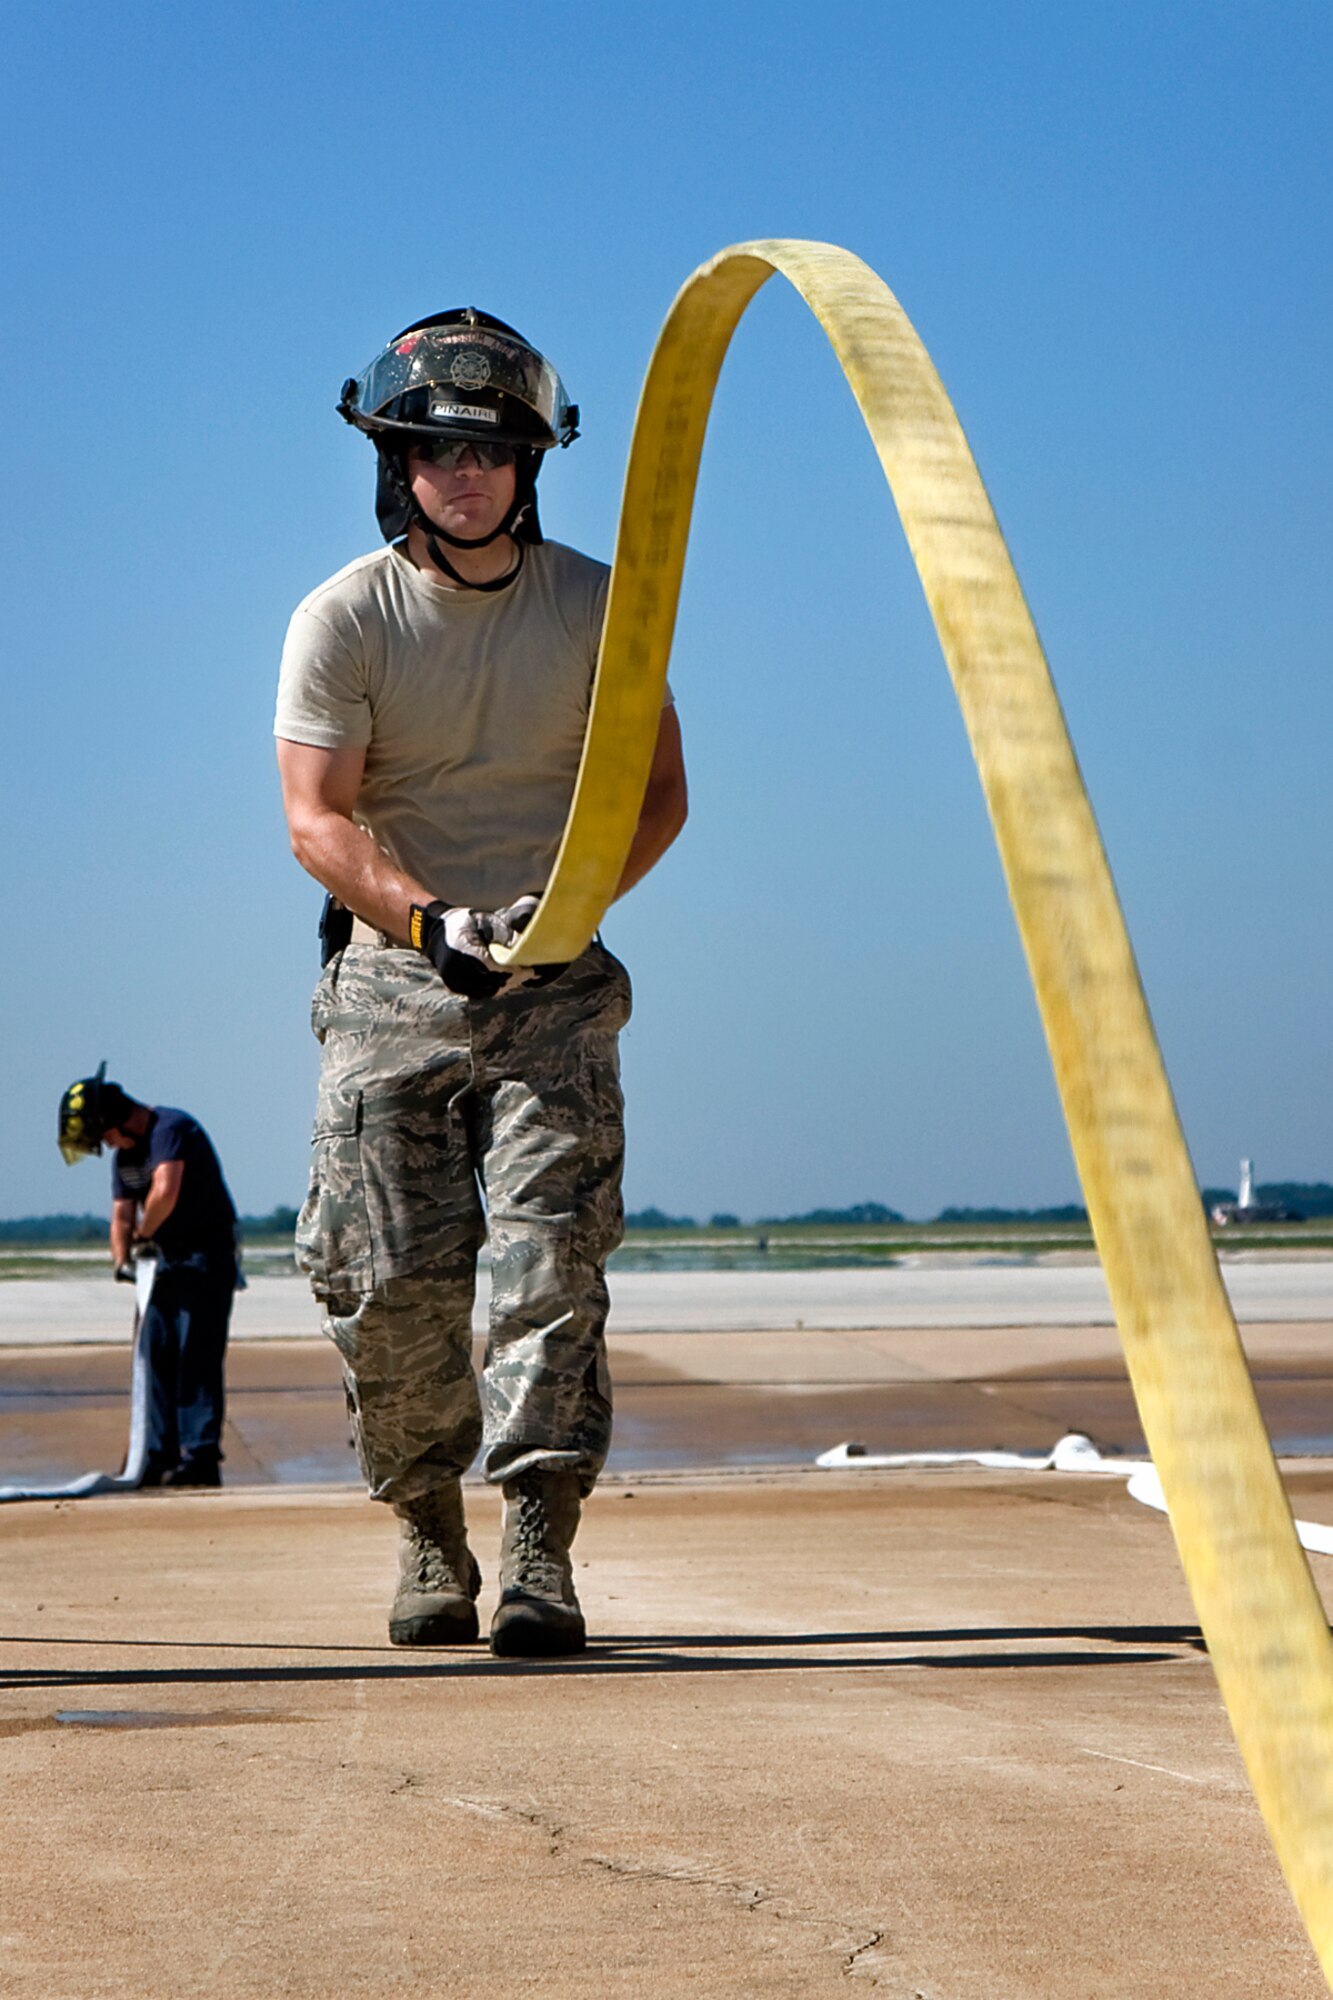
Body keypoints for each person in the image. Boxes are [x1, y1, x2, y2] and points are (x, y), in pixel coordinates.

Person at [274, 308, 687, 1659]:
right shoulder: (344, 617)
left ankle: (537, 1552)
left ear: (529, 465)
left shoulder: (599, 607)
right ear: (396, 462)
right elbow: (317, 818)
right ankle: (425, 1537)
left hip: (554, 989)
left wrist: (554, 914)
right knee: (387, 1282)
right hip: (391, 989)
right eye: (438, 454)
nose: (466, 477)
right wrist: (428, 918)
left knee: (545, 1269)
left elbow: (658, 795)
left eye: (491, 455)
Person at [57, 1065, 239, 1487]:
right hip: (160, 1263)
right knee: (155, 1355)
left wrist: (143, 1235)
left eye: (103, 1136)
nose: (106, 1144)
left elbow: (165, 1192)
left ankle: (200, 1457)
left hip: (202, 1256)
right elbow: (121, 1214)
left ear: (114, 1121)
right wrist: (123, 1259)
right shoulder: (125, 1157)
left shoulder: (170, 1129)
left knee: (196, 1355)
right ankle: (157, 1454)